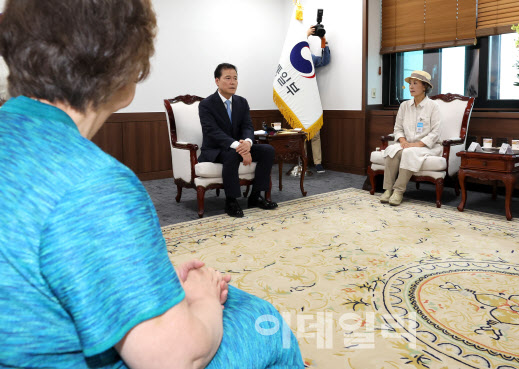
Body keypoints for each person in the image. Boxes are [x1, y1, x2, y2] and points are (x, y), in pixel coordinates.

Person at [0, 1, 302, 368]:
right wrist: (204, 297)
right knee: (264, 320)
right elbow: (174, 358)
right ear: (127, 75)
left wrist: (143, 273)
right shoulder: (96, 184)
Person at [199, 63, 278, 218]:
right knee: (231, 154)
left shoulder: (242, 102)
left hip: (239, 146)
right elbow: (213, 132)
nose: (232, 82)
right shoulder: (206, 104)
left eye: (235, 78)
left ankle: (255, 196)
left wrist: (248, 143)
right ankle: (231, 200)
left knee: (268, 150)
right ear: (217, 81)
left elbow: (247, 126)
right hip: (216, 149)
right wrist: (239, 147)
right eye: (227, 78)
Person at [379, 70, 441, 206]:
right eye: (410, 84)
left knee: (408, 152)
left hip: (425, 146)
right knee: (391, 150)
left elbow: (435, 133)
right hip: (407, 144)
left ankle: (398, 191)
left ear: (424, 86)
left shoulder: (433, 106)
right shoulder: (404, 106)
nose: (411, 87)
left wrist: (417, 145)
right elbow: (398, 129)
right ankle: (387, 189)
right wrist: (403, 141)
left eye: (415, 83)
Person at [307, 25, 331, 173]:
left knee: (315, 133)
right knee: (301, 133)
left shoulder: (311, 58)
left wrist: (323, 41)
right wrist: (306, 35)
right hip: (298, 98)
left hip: (312, 98)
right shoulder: (293, 59)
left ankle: (317, 162)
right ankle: (301, 161)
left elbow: (325, 60)